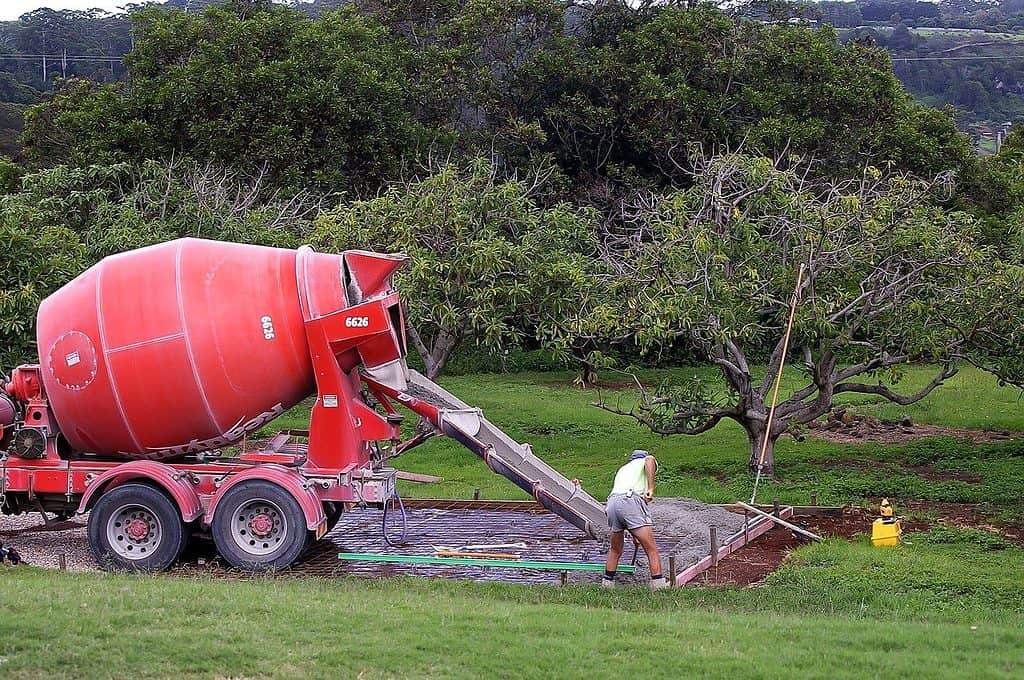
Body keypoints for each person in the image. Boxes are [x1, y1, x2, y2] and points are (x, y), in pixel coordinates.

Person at [602, 449, 667, 589]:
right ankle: (659, 586)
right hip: (630, 499)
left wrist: (635, 534)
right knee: (651, 549)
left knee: (615, 550)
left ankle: (607, 584)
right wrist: (650, 487)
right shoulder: (645, 460)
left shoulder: (623, 469)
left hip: (612, 503)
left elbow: (622, 510)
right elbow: (650, 460)